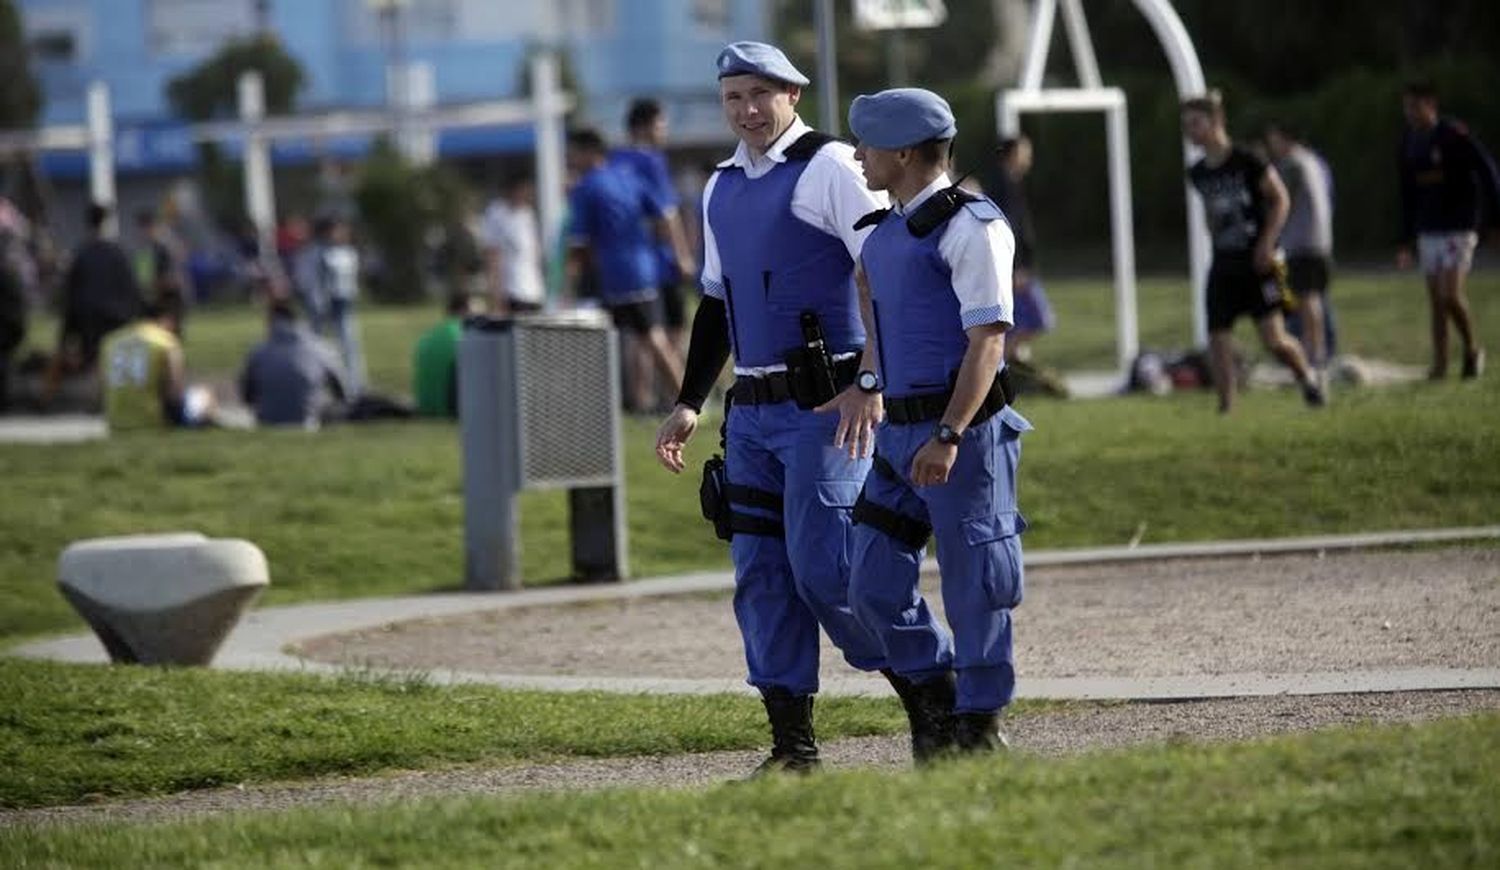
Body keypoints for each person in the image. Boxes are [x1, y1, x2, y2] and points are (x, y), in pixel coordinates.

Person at [654, 42, 897, 775]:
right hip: (751, 415)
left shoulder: (831, 167)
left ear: (793, 93)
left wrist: (872, 381)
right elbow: (716, 304)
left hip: (829, 408)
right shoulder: (720, 185)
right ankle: (793, 747)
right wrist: (689, 401)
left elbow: (886, 270)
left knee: (828, 570)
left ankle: (934, 692)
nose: (747, 110)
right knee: (761, 577)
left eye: (761, 94)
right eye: (733, 97)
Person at [840, 87, 1031, 759]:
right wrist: (867, 381)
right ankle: (937, 690)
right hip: (897, 438)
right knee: (867, 582)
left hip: (964, 437)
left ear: (901, 152)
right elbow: (881, 325)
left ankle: (979, 728)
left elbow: (988, 344)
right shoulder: (887, 232)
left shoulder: (972, 227)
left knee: (976, 581)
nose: (857, 155)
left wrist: (949, 435)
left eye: (865, 145)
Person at [1181, 91, 1325, 413]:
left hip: (1257, 263)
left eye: (1196, 123)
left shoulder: (1248, 161)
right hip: (1224, 262)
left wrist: (1267, 242)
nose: (1190, 131)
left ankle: (1308, 379)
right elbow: (1210, 214)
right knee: (1217, 334)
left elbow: (1280, 199)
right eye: (1186, 125)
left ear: (1216, 122)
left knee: (1274, 340)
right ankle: (1226, 407)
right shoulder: (1198, 173)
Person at [566, 126, 684, 412]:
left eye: (574, 154)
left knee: (648, 338)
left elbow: (579, 241)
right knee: (641, 338)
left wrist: (571, 280)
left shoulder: (586, 186)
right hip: (643, 267)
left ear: (590, 153)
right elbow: (665, 216)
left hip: (615, 274)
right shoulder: (630, 177)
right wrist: (677, 254)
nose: (571, 160)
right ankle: (640, 402)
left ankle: (687, 400)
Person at [1397, 81, 1500, 380]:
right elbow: (1406, 193)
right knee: (1435, 301)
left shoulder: (1453, 135)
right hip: (1428, 229)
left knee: (1450, 295)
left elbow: (1488, 171)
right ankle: (1440, 365)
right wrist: (1405, 239)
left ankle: (1472, 349)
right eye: (1406, 107)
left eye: (1415, 106)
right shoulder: (1408, 142)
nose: (1410, 113)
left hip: (1458, 226)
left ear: (1431, 105)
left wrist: (1495, 220)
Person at [610, 98, 698, 353]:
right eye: (661, 124)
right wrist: (683, 257)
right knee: (671, 331)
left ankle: (642, 394)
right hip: (661, 260)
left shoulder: (615, 160)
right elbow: (667, 213)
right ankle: (674, 391)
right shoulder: (651, 161)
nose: (664, 131)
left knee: (641, 336)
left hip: (630, 264)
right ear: (643, 127)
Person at [1263, 122, 1335, 373]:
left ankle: (1313, 353)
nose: (1272, 145)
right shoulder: (1314, 161)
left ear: (1285, 138)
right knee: (1313, 298)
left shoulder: (1292, 164)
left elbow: (1276, 197)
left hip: (1302, 242)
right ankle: (1319, 350)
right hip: (1320, 240)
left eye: (1274, 139)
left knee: (1306, 299)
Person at [51, 204, 145, 387]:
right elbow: (131, 288)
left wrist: (68, 327)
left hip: (89, 319)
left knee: (92, 355)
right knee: (114, 356)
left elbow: (71, 291)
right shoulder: (117, 253)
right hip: (116, 317)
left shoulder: (81, 254)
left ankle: (95, 389)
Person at [101, 294, 212, 431]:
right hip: (151, 422)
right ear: (169, 318)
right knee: (204, 395)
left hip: (116, 424)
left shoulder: (110, 341)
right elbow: (175, 394)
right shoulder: (165, 342)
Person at [239, 298, 350, 429]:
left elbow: (247, 397)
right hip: (310, 421)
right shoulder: (322, 348)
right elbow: (342, 394)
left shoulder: (258, 352)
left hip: (266, 421)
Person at [480, 173, 548, 315]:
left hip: (533, 292)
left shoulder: (527, 214)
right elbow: (492, 257)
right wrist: (496, 298)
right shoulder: (496, 214)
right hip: (511, 292)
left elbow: (534, 254)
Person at [315, 217, 367, 396]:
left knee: (350, 346)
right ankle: (329, 386)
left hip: (345, 303)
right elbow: (319, 282)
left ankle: (355, 386)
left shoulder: (349, 252)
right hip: (330, 304)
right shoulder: (322, 254)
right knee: (326, 347)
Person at [413, 292, 480, 419]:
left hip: (425, 408)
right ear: (464, 311)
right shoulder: (467, 336)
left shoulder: (427, 337)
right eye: (477, 313)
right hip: (450, 409)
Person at [133, 208, 188, 334]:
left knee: (166, 332)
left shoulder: (162, 243)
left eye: (142, 228)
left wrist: (153, 285)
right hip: (160, 294)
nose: (140, 233)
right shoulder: (152, 244)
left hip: (170, 294)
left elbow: (171, 274)